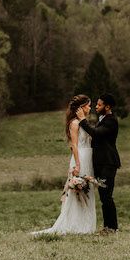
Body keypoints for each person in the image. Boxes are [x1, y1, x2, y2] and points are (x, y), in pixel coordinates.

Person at [32, 95, 96, 235]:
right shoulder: (74, 123)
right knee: (77, 191)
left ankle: (86, 224)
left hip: (88, 157)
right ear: (81, 107)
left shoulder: (84, 122)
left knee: (87, 190)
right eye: (88, 105)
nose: (90, 108)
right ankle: (75, 224)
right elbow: (74, 144)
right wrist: (77, 164)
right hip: (80, 157)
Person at [76, 93, 120, 233]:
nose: (96, 106)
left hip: (108, 163)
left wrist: (83, 120)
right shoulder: (102, 119)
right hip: (101, 164)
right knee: (103, 195)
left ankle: (112, 227)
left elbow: (96, 133)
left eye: (99, 105)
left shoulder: (111, 120)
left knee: (106, 195)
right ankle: (108, 227)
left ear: (107, 107)